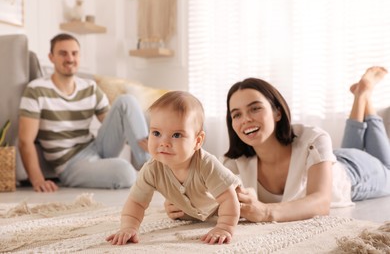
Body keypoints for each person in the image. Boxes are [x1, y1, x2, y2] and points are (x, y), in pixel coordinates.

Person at [165, 66, 390, 223]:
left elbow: (321, 202)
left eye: (255, 108)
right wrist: (188, 208)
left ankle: (363, 96)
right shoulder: (235, 163)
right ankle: (362, 96)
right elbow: (221, 202)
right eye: (237, 114)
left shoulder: (314, 138)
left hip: (356, 172)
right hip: (329, 160)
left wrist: (266, 212)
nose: (246, 119)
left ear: (277, 112)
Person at [18, 33, 150, 192]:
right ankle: (149, 175)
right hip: (70, 164)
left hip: (96, 147)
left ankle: (151, 167)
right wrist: (38, 180)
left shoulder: (90, 87)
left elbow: (115, 121)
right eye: (63, 53)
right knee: (126, 172)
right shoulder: (36, 90)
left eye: (74, 53)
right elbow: (25, 141)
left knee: (126, 101)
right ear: (51, 57)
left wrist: (142, 138)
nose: (70, 58)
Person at [106, 91, 241, 245]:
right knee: (177, 211)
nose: (164, 143)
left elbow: (228, 199)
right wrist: (128, 227)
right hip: (195, 209)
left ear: (198, 141)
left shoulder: (207, 164)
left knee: (244, 207)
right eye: (156, 133)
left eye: (176, 135)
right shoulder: (151, 169)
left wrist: (224, 227)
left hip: (230, 200)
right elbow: (136, 202)